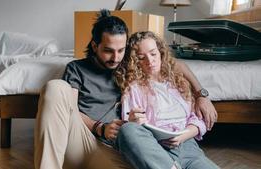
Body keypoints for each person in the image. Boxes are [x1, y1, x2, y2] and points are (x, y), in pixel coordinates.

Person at [34, 9, 217, 169]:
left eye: (121, 50)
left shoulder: (128, 66)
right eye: (108, 50)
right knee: (55, 87)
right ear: (94, 45)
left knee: (131, 137)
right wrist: (99, 128)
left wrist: (201, 94)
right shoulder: (77, 69)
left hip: (115, 149)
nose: (115, 57)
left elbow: (171, 63)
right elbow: (69, 109)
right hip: (84, 139)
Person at [114, 31, 220, 169]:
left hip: (187, 146)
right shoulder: (133, 88)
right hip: (156, 147)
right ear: (134, 61)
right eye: (141, 57)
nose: (149, 61)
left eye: (153, 54)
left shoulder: (178, 80)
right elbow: (132, 126)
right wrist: (134, 120)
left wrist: (183, 135)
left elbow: (199, 118)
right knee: (127, 130)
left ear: (161, 52)